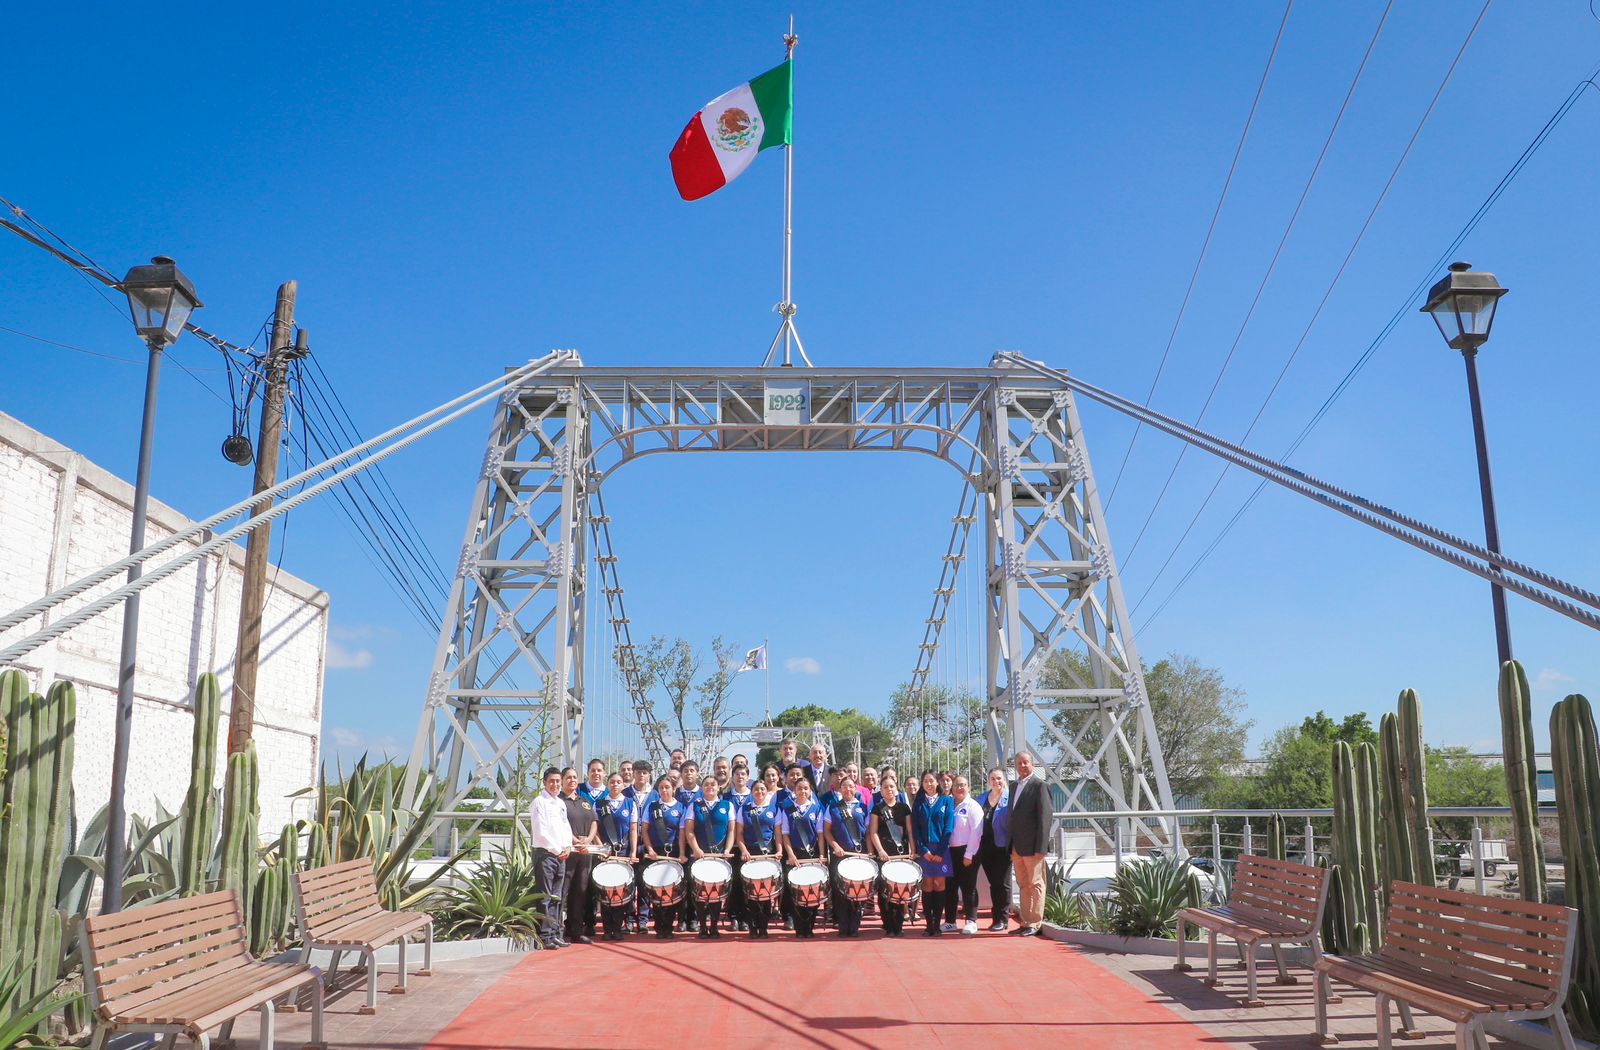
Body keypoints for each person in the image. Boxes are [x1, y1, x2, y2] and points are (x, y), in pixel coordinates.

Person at [682, 773, 739, 938]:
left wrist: (727, 850)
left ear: (718, 787)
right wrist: (696, 849)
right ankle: (702, 926)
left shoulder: (727, 805)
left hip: (720, 856)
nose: (710, 787)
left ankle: (714, 926)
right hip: (700, 856)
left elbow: (731, 830)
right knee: (700, 893)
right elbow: (689, 831)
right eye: (706, 784)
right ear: (702, 788)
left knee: (716, 892)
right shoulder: (694, 806)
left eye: (713, 784)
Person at [1009, 751, 1052, 937]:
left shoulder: (1040, 786)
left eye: (1025, 762)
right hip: (1016, 846)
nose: (1022, 766)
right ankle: (1025, 921)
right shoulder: (1013, 786)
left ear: (1032, 764)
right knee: (1023, 884)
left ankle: (1035, 922)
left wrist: (1041, 847)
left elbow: (1045, 818)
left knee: (1035, 884)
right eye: (1019, 763)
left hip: (1033, 847)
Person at [529, 767, 573, 949]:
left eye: (557, 781)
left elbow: (565, 827)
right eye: (551, 781)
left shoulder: (560, 803)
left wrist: (568, 846)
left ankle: (555, 933)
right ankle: (544, 936)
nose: (555, 784)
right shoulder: (539, 802)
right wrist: (557, 849)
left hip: (561, 855)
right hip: (546, 854)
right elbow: (540, 832)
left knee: (557, 897)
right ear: (544, 783)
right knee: (545, 896)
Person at [824, 770, 871, 937]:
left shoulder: (863, 807)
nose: (847, 789)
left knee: (857, 891)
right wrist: (835, 846)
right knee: (840, 892)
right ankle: (843, 926)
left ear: (855, 788)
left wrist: (870, 851)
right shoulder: (833, 807)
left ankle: (855, 926)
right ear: (840, 789)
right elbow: (827, 831)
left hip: (859, 855)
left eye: (850, 786)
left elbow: (869, 832)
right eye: (844, 786)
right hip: (840, 855)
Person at [779, 775, 826, 938]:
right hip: (795, 856)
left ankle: (810, 926)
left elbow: (820, 834)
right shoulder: (787, 810)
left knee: (812, 892)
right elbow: (785, 835)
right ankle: (800, 928)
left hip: (812, 855)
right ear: (795, 790)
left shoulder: (817, 809)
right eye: (799, 788)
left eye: (806, 788)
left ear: (810, 791)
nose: (803, 791)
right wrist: (791, 855)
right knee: (796, 893)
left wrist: (821, 854)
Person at [868, 767, 913, 936]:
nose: (889, 790)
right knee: (884, 892)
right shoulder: (877, 809)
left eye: (892, 786)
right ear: (881, 790)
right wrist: (880, 851)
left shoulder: (904, 808)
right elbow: (873, 832)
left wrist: (912, 849)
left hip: (901, 854)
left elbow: (909, 831)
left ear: (897, 788)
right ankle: (887, 923)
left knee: (899, 890)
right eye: (885, 787)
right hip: (884, 855)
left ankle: (898, 925)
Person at [641, 773, 687, 938]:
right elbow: (645, 830)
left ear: (674, 789)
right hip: (656, 853)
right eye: (661, 787)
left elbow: (682, 833)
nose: (664, 790)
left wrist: (682, 853)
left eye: (667, 787)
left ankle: (669, 925)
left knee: (672, 891)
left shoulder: (681, 807)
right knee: (657, 890)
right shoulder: (652, 807)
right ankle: (659, 925)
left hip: (673, 853)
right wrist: (650, 849)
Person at [912, 770, 954, 936]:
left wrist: (941, 851)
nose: (929, 784)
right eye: (925, 781)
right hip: (925, 850)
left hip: (941, 849)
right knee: (927, 884)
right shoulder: (918, 802)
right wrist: (924, 850)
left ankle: (937, 924)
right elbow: (915, 828)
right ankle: (929, 924)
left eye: (931, 780)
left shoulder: (946, 800)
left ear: (937, 782)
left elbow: (949, 827)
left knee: (939, 884)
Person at [594, 772, 635, 940]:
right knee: (606, 891)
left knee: (620, 891)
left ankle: (617, 927)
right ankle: (607, 929)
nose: (615, 785)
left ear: (623, 785)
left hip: (623, 853)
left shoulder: (630, 803)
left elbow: (633, 829)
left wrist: (633, 851)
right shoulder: (599, 804)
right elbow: (595, 829)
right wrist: (601, 847)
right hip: (606, 853)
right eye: (612, 782)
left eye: (618, 782)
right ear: (608, 784)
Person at [738, 776, 781, 938]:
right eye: (756, 789)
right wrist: (744, 851)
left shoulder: (773, 809)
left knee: (766, 893)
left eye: (762, 789)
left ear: (767, 791)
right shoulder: (744, 809)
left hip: (768, 855)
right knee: (751, 894)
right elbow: (739, 834)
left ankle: (763, 927)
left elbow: (778, 833)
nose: (759, 792)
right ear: (752, 792)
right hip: (750, 856)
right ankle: (753, 927)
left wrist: (779, 851)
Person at [561, 767, 598, 944]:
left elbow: (594, 822)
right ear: (562, 780)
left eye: (575, 777)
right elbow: (560, 824)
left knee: (580, 892)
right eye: (568, 777)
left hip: (584, 853)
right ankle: (556, 930)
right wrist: (575, 841)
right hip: (567, 852)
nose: (572, 780)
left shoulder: (585, 801)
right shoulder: (559, 801)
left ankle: (576, 930)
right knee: (563, 892)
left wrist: (588, 840)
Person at [947, 775, 984, 934]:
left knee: (968, 887)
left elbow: (976, 832)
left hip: (968, 851)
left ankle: (971, 920)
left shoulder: (973, 806)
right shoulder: (949, 804)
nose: (959, 788)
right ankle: (950, 921)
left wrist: (969, 854)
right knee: (950, 887)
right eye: (956, 785)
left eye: (962, 785)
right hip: (950, 852)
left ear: (968, 787)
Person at [978, 766, 1013, 932]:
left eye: (999, 778)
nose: (996, 781)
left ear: (1004, 780)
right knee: (994, 884)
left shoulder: (1010, 798)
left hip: (1003, 847)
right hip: (985, 848)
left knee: (1002, 883)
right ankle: (996, 918)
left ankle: (1003, 919)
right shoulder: (981, 798)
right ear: (988, 781)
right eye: (992, 778)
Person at [623, 760, 655, 932]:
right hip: (629, 844)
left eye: (644, 772)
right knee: (628, 882)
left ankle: (643, 919)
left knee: (644, 883)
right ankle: (628, 918)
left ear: (649, 775)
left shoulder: (655, 794)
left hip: (648, 844)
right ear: (633, 774)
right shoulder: (625, 793)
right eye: (638, 772)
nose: (641, 775)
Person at [725, 765, 754, 930]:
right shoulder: (725, 797)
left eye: (743, 774)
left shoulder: (755, 795)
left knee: (749, 883)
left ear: (748, 777)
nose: (740, 777)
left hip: (750, 848)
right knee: (733, 883)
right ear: (732, 777)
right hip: (731, 847)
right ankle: (734, 917)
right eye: (737, 774)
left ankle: (747, 917)